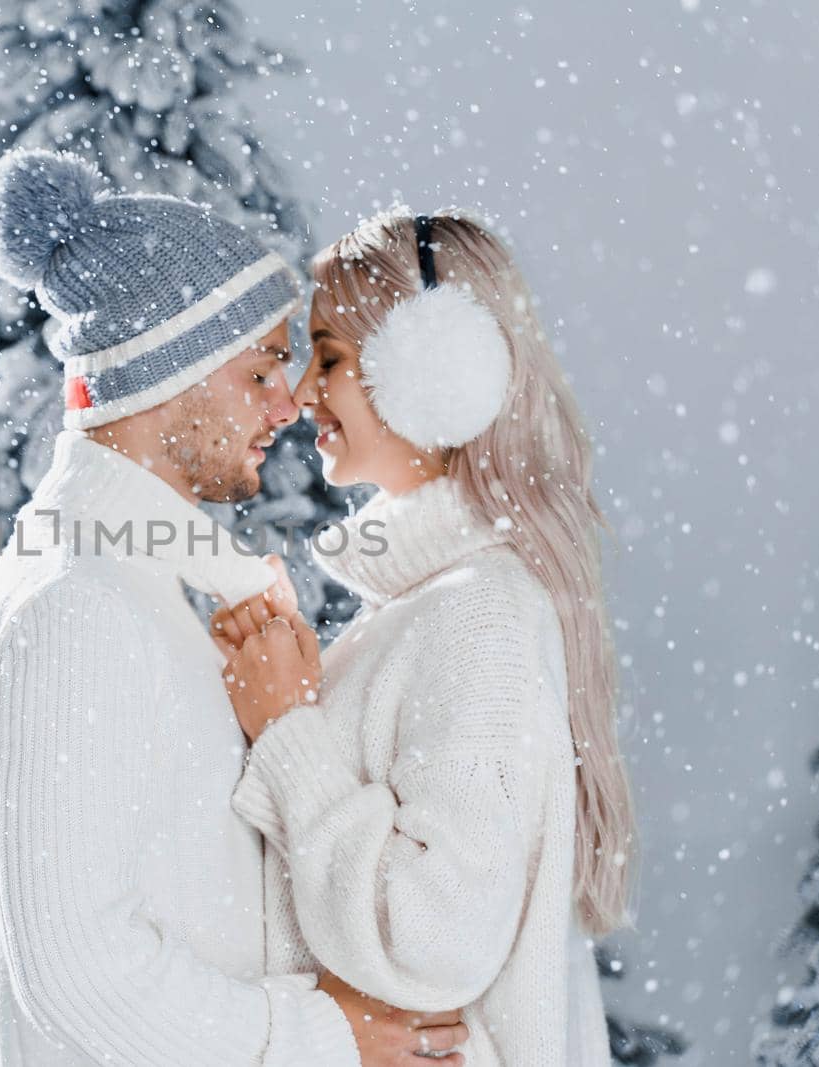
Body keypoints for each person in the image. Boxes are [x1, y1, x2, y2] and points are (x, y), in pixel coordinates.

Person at [0, 151, 468, 1066]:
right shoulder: (79, 603)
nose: (289, 405)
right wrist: (318, 1034)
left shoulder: (142, 586)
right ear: (169, 373)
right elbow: (76, 971)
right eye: (263, 369)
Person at [212, 210, 637, 1066]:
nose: (298, 395)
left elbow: (433, 938)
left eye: (327, 357)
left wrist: (289, 731)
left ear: (436, 372)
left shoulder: (480, 617)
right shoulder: (433, 609)